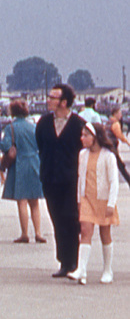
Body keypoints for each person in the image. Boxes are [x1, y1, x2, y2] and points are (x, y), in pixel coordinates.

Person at [37, 83, 85, 280]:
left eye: (52, 97)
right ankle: (63, 261)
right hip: (50, 178)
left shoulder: (78, 124)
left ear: (64, 102)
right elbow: (41, 145)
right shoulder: (43, 123)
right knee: (56, 219)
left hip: (71, 180)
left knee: (70, 219)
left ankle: (73, 261)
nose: (48, 100)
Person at [73, 122, 118, 284]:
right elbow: (80, 179)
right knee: (85, 231)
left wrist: (111, 204)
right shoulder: (82, 154)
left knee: (105, 233)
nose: (82, 138)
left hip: (103, 199)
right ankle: (81, 269)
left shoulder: (108, 156)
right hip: (87, 199)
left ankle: (107, 270)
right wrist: (79, 199)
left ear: (95, 137)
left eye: (86, 135)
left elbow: (114, 182)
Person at [0, 99, 44, 244]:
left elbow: (5, 146)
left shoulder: (10, 128)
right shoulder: (34, 127)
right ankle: (38, 233)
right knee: (34, 202)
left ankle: (25, 233)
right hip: (34, 162)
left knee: (22, 201)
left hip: (19, 164)